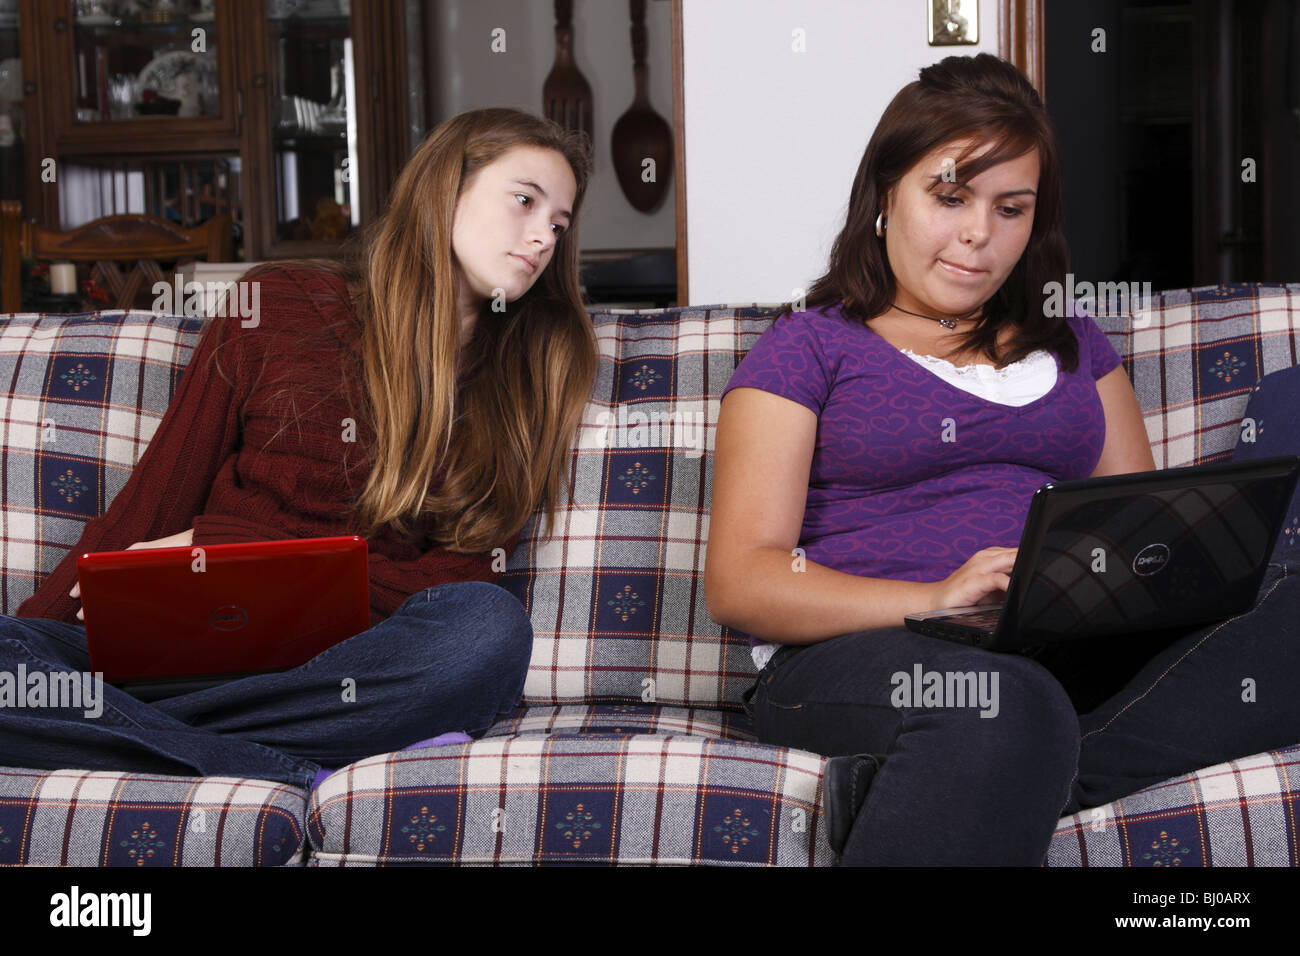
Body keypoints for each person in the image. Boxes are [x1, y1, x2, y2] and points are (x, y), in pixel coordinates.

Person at [705, 53, 1300, 866]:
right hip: (858, 661)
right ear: (886, 195)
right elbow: (742, 582)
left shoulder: (1076, 347)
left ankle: (966, 782)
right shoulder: (808, 349)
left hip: (1062, 661)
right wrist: (936, 597)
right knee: (994, 701)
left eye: (1010, 208)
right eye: (949, 197)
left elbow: (1140, 533)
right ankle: (990, 756)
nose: (978, 235)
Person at [0, 107, 599, 791]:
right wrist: (27, 644)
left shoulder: (531, 375)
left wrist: (218, 543)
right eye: (524, 200)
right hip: (194, 651)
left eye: (558, 222)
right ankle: (270, 766)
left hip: (346, 673)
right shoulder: (279, 303)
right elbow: (144, 514)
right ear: (446, 188)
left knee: (487, 631)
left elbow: (451, 586)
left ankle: (140, 739)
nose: (543, 236)